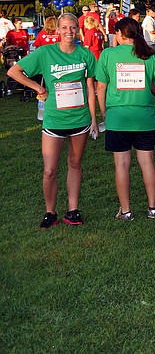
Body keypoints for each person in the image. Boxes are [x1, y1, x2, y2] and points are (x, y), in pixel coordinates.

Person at [7, 14, 98, 228]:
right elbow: (14, 71)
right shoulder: (46, 53)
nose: (69, 31)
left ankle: (73, 210)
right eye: (64, 27)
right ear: (57, 30)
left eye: (73, 27)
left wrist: (94, 119)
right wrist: (39, 88)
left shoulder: (85, 55)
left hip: (80, 117)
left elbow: (91, 89)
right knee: (50, 170)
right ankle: (50, 212)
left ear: (78, 29)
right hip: (54, 120)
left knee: (75, 163)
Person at [96, 18, 155, 221]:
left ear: (120, 34)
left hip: (117, 117)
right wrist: (150, 86)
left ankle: (126, 211)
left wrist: (104, 113)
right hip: (143, 117)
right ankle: (153, 208)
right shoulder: (149, 55)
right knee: (147, 162)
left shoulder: (108, 54)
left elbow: (100, 88)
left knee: (121, 165)